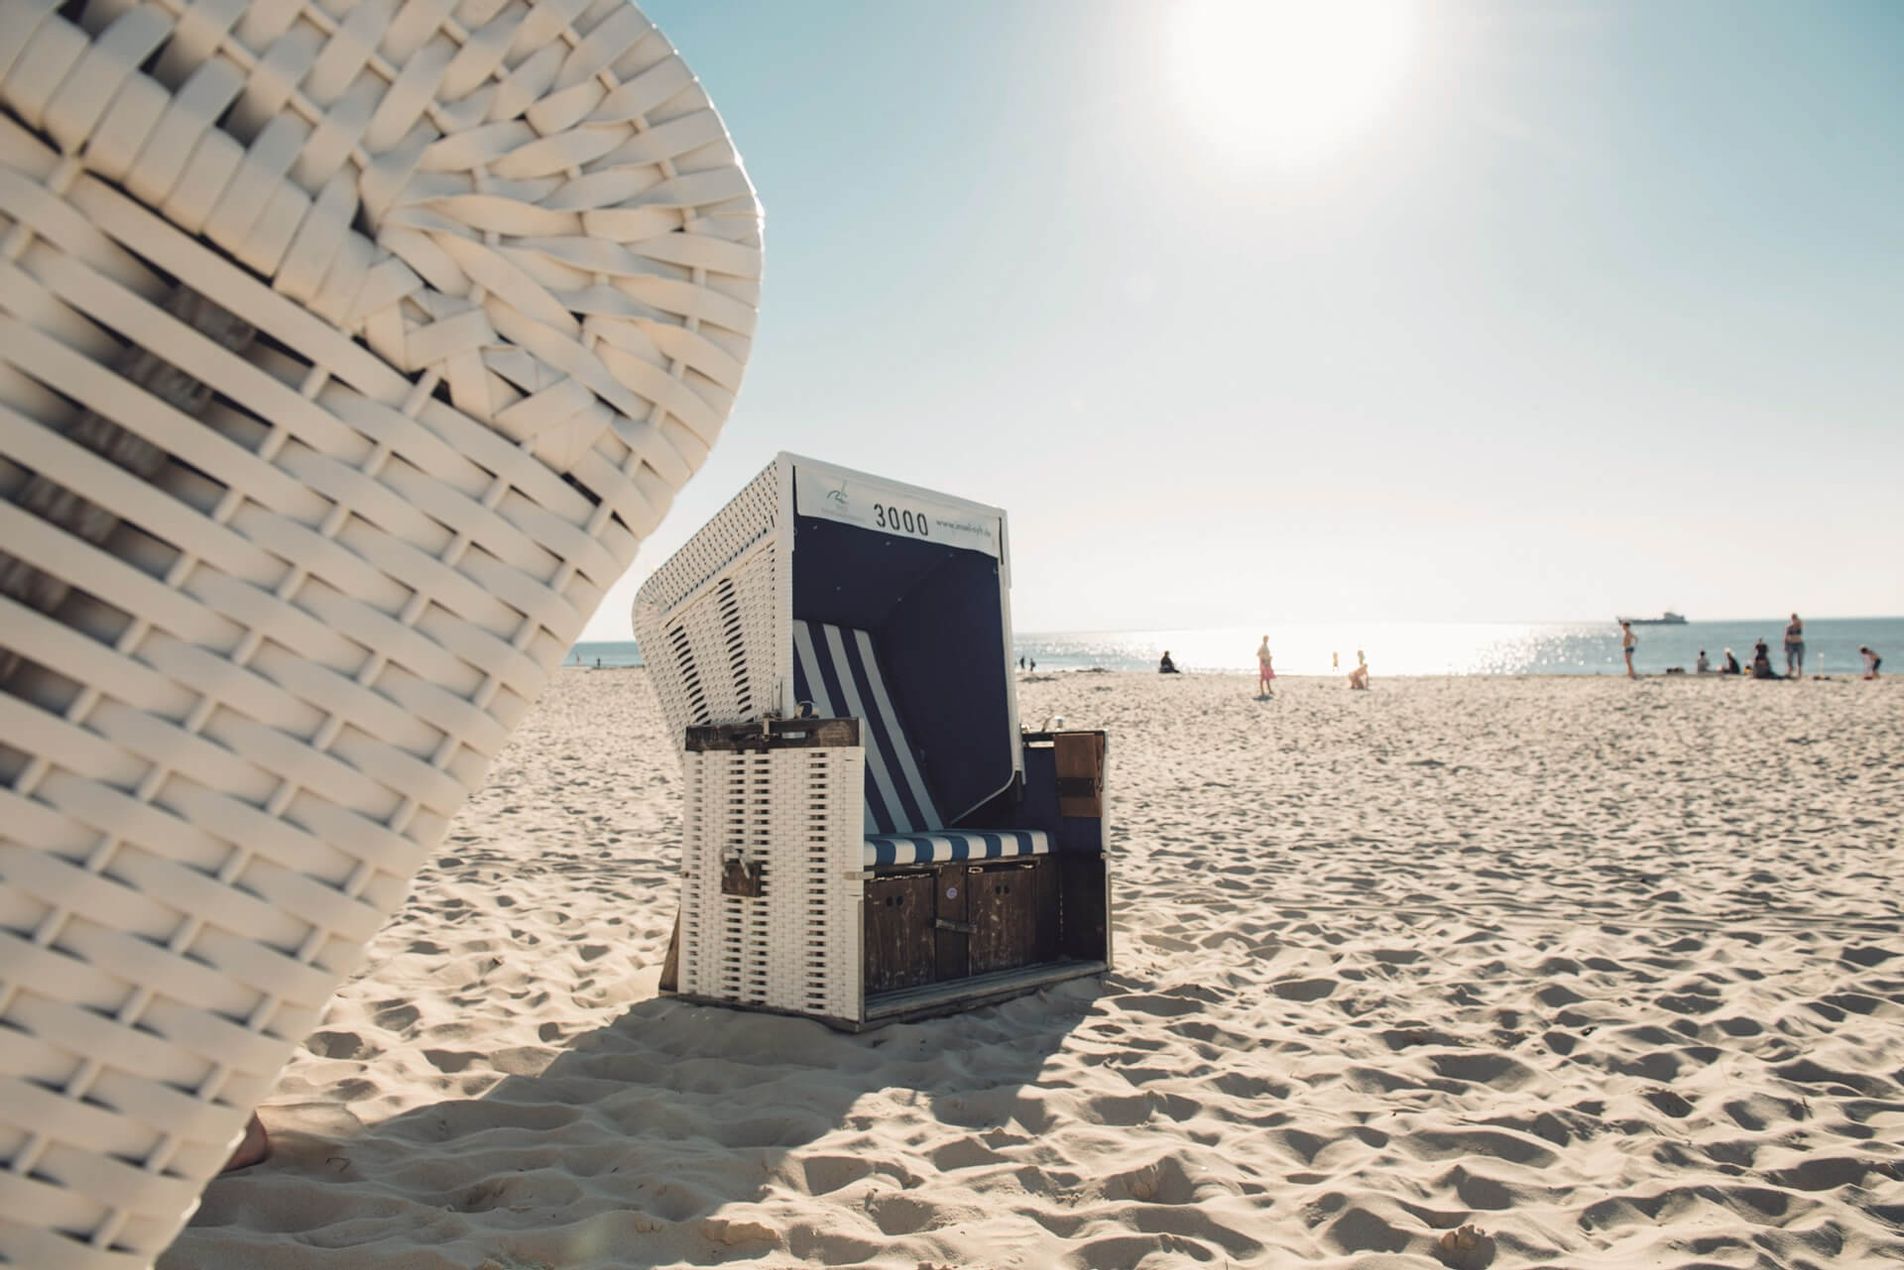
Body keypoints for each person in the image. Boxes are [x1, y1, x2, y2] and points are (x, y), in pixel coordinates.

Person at [1784, 613, 1805, 679]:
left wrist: (1797, 620)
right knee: (1789, 658)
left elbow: (1801, 623)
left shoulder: (1799, 625)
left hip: (1799, 643)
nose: (1794, 620)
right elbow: (1786, 636)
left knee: (1800, 658)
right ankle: (1790, 672)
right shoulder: (1789, 627)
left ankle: (1799, 673)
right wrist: (1785, 645)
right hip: (1791, 644)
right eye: (1793, 618)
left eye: (1795, 618)